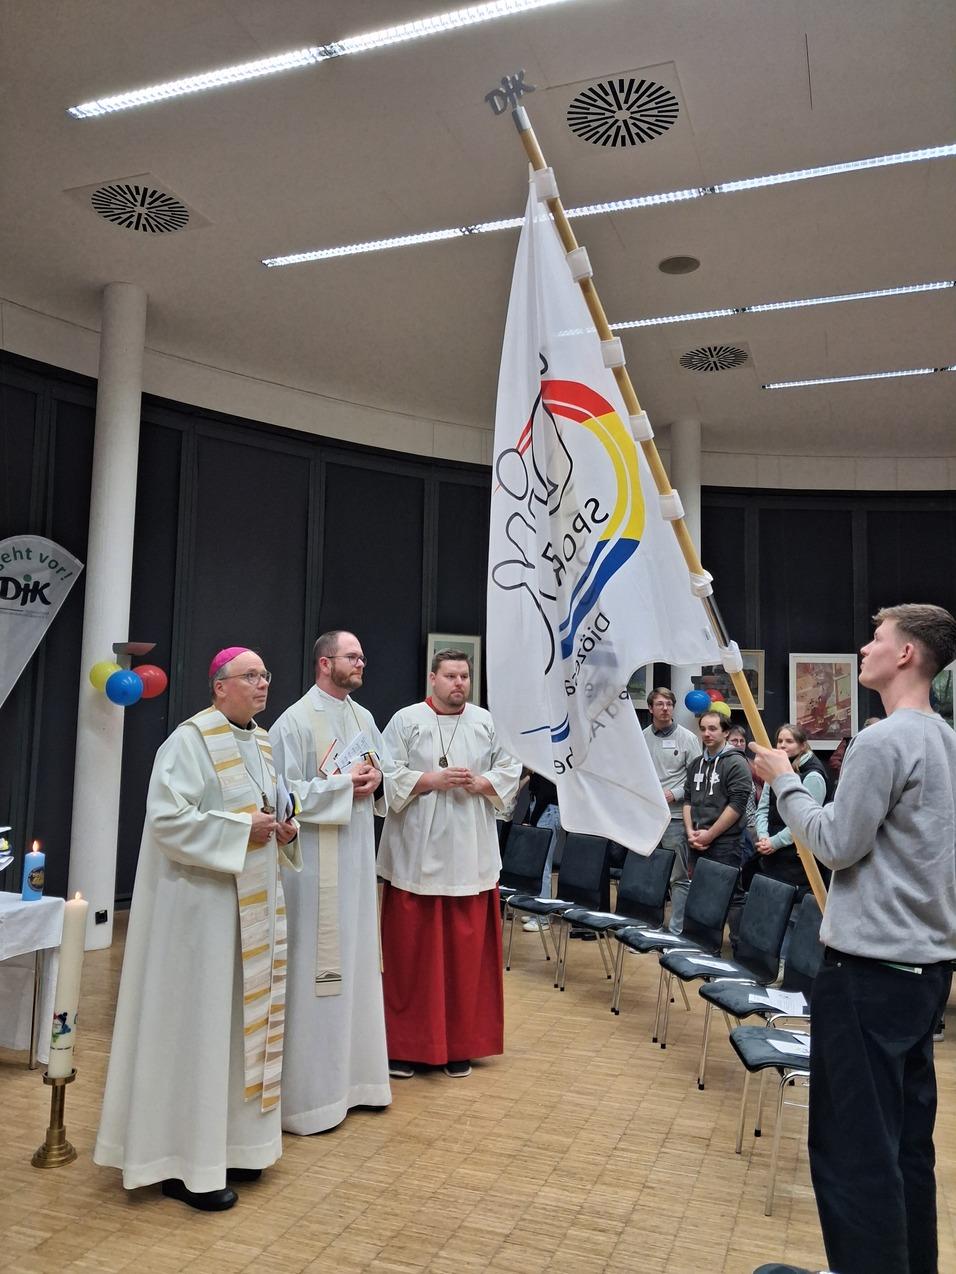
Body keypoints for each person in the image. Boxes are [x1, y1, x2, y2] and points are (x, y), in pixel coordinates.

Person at [751, 604, 956, 1274]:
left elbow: (837, 844)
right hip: (925, 973)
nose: (865, 648)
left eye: (877, 638)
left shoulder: (881, 742)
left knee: (854, 1152)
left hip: (868, 974)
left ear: (907, 655)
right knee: (904, 1146)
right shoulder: (947, 740)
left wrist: (784, 782)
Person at [94, 648, 299, 1211]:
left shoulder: (261, 743)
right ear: (219, 686)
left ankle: (237, 1145)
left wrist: (283, 827)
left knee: (236, 1029)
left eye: (265, 675)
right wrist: (240, 828)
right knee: (198, 1031)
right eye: (250, 676)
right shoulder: (188, 741)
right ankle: (182, 1163)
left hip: (251, 912)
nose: (262, 684)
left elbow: (268, 808)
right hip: (198, 914)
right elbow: (167, 821)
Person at [268, 630, 391, 1135]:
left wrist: (376, 781)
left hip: (356, 862)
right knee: (317, 971)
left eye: (362, 656)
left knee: (357, 963)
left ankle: (359, 1083)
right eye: (351, 656)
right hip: (315, 867)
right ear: (325, 663)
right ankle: (311, 1099)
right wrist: (342, 786)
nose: (361, 663)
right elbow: (280, 793)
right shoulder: (294, 721)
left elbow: (382, 772)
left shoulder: (364, 718)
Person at [378, 648, 521, 1078]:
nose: (459, 683)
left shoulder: (486, 722)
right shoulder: (405, 720)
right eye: (451, 676)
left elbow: (511, 768)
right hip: (415, 855)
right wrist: (429, 779)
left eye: (464, 676)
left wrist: (483, 783)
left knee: (464, 959)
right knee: (411, 958)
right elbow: (385, 774)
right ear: (433, 679)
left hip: (469, 853)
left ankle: (460, 1044)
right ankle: (407, 1046)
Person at [683, 710, 752, 939]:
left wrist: (710, 835)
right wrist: (691, 832)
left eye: (713, 729)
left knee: (732, 896)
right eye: (703, 729)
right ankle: (703, 944)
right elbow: (688, 800)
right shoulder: (696, 764)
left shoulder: (736, 763)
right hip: (697, 841)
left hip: (725, 843)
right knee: (701, 894)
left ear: (726, 732)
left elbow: (737, 805)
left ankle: (739, 947)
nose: (707, 733)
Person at [642, 687, 701, 933]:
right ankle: (651, 926)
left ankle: (676, 931)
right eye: (660, 704)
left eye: (669, 704)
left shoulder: (688, 738)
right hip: (649, 817)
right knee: (651, 874)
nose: (665, 708)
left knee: (678, 877)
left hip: (676, 817)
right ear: (650, 708)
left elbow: (697, 777)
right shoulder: (642, 737)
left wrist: (674, 793)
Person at [754, 723, 829, 893]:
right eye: (780, 741)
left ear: (802, 745)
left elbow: (805, 822)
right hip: (770, 852)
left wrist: (775, 842)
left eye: (789, 741)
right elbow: (763, 807)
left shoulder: (813, 776)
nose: (782, 745)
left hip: (797, 858)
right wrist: (763, 836)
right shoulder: (775, 768)